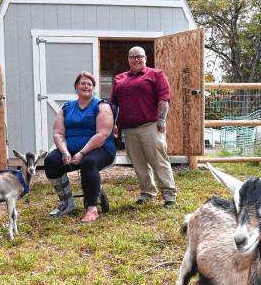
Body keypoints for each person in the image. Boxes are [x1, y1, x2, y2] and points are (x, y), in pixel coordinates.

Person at [44, 71, 116, 222]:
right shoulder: (66, 108)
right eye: (82, 83)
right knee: (51, 161)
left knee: (88, 162)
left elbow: (102, 135)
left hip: (100, 149)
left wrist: (82, 153)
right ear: (76, 86)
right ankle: (67, 203)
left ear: (93, 88)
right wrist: (64, 152)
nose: (86, 86)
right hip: (71, 148)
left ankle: (92, 208)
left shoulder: (101, 106)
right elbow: (58, 133)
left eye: (89, 84)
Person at [110, 46, 177, 207]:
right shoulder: (119, 79)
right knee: (138, 162)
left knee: (158, 160)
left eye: (139, 56)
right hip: (129, 129)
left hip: (151, 125)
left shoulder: (156, 75)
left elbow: (163, 98)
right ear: (128, 59)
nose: (136, 59)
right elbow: (114, 104)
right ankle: (147, 192)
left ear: (145, 58)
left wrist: (162, 120)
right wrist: (113, 123)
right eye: (132, 57)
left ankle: (169, 195)